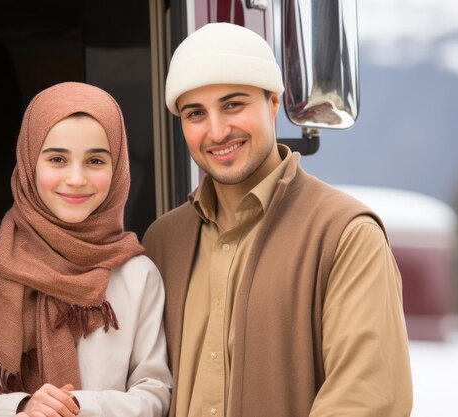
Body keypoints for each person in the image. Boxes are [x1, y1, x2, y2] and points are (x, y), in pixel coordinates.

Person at [142, 23, 412, 417]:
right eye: (195, 113)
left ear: (272, 102)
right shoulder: (163, 241)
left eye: (233, 104)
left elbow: (367, 400)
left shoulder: (346, 235)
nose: (216, 131)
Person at [0, 82, 172, 417]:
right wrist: (21, 408)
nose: (75, 178)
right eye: (57, 158)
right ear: (29, 163)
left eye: (95, 160)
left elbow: (155, 392)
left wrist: (75, 408)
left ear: (118, 171)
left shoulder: (138, 275)